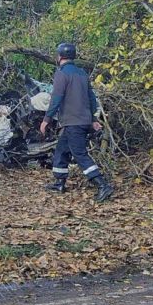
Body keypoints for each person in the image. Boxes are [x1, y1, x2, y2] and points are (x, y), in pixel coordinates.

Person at [40, 42, 114, 201]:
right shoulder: (82, 73)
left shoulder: (62, 74)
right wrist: (93, 119)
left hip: (73, 122)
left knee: (79, 153)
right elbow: (91, 98)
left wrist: (46, 120)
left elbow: (56, 98)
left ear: (59, 56)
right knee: (61, 149)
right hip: (82, 121)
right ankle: (59, 182)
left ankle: (102, 184)